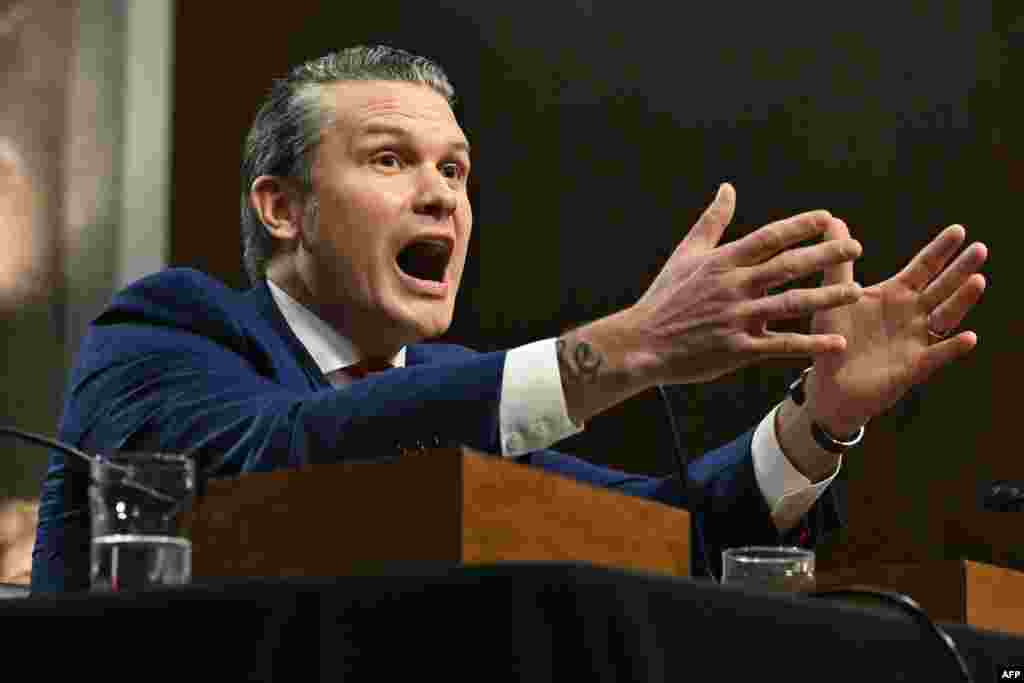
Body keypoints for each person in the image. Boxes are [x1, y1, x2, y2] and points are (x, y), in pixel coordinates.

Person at [30, 46, 987, 593]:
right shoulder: (166, 329)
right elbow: (281, 455)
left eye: (456, 169)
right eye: (390, 159)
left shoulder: (450, 397)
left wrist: (815, 424)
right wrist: (631, 344)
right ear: (280, 207)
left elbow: (669, 536)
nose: (443, 196)